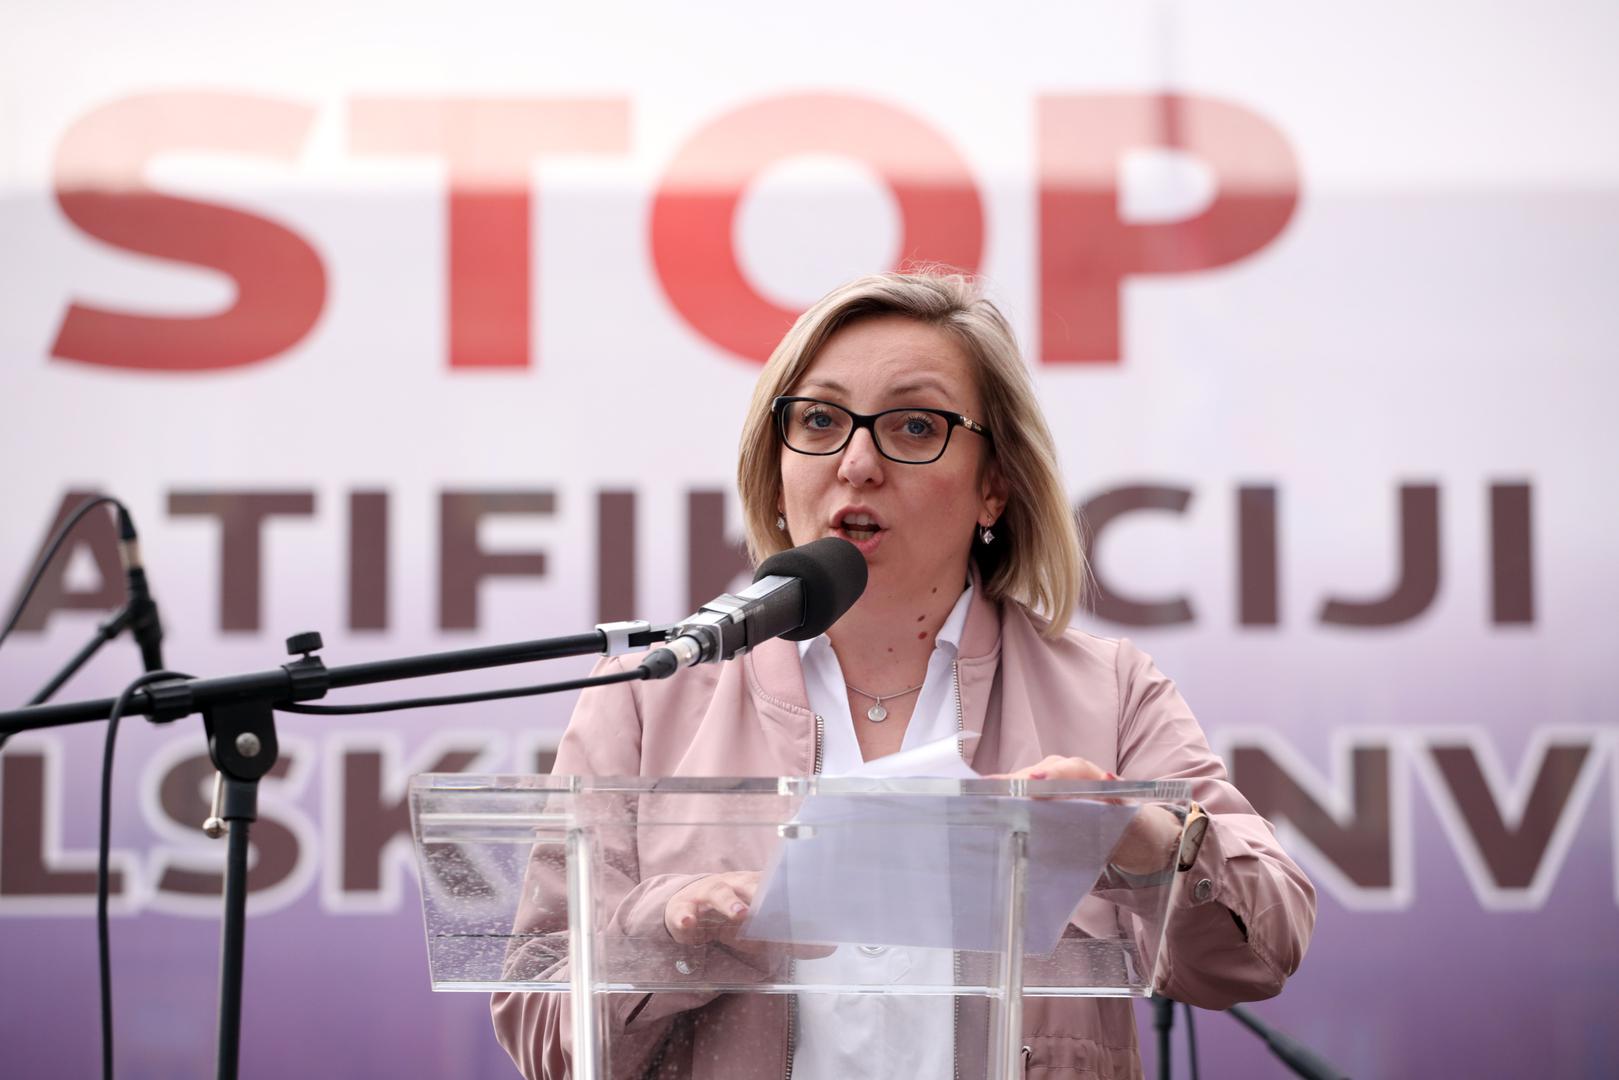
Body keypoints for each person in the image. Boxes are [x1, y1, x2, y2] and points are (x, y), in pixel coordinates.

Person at [492, 271, 1315, 1079]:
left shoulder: (1108, 690)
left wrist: (1146, 843)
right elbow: (541, 1031)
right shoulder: (647, 694)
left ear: (994, 486)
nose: (856, 463)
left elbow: (1259, 953)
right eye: (819, 420)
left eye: (915, 426)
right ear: (775, 471)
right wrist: (673, 933)